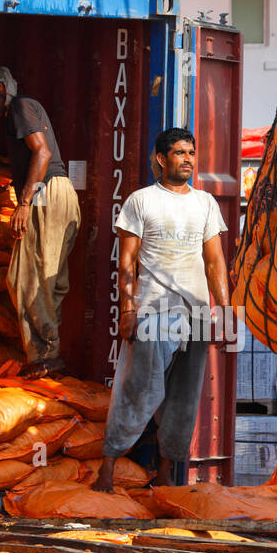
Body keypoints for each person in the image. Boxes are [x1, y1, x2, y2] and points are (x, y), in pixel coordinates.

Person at [92, 127, 231, 493]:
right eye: (180, 153)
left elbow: (215, 263)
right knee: (138, 390)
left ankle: (165, 475)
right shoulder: (141, 201)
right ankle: (107, 469)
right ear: (161, 159)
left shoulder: (205, 204)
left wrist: (227, 312)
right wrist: (126, 308)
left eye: (191, 153)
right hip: (153, 310)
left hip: (197, 315)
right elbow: (127, 261)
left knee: (183, 398)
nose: (188, 159)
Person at [0, 66, 80, 379]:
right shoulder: (18, 114)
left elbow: (41, 153)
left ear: (0, 87)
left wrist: (24, 203)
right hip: (56, 194)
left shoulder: (20, 106)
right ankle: (48, 357)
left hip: (46, 194)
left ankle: (47, 354)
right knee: (45, 276)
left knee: (26, 276)